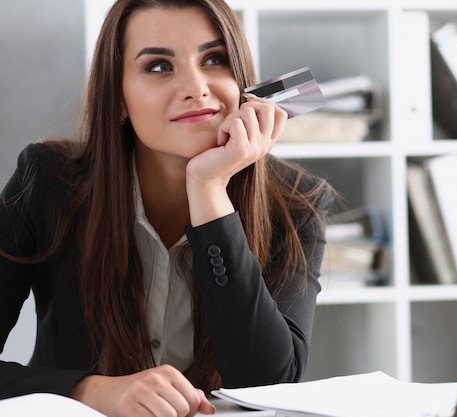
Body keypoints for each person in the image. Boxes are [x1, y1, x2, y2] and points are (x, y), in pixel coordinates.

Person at [0, 0, 334, 416]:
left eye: (215, 59)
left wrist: (210, 191)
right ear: (117, 98)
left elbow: (268, 385)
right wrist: (89, 390)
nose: (196, 88)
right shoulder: (47, 183)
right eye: (159, 66)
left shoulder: (298, 204)